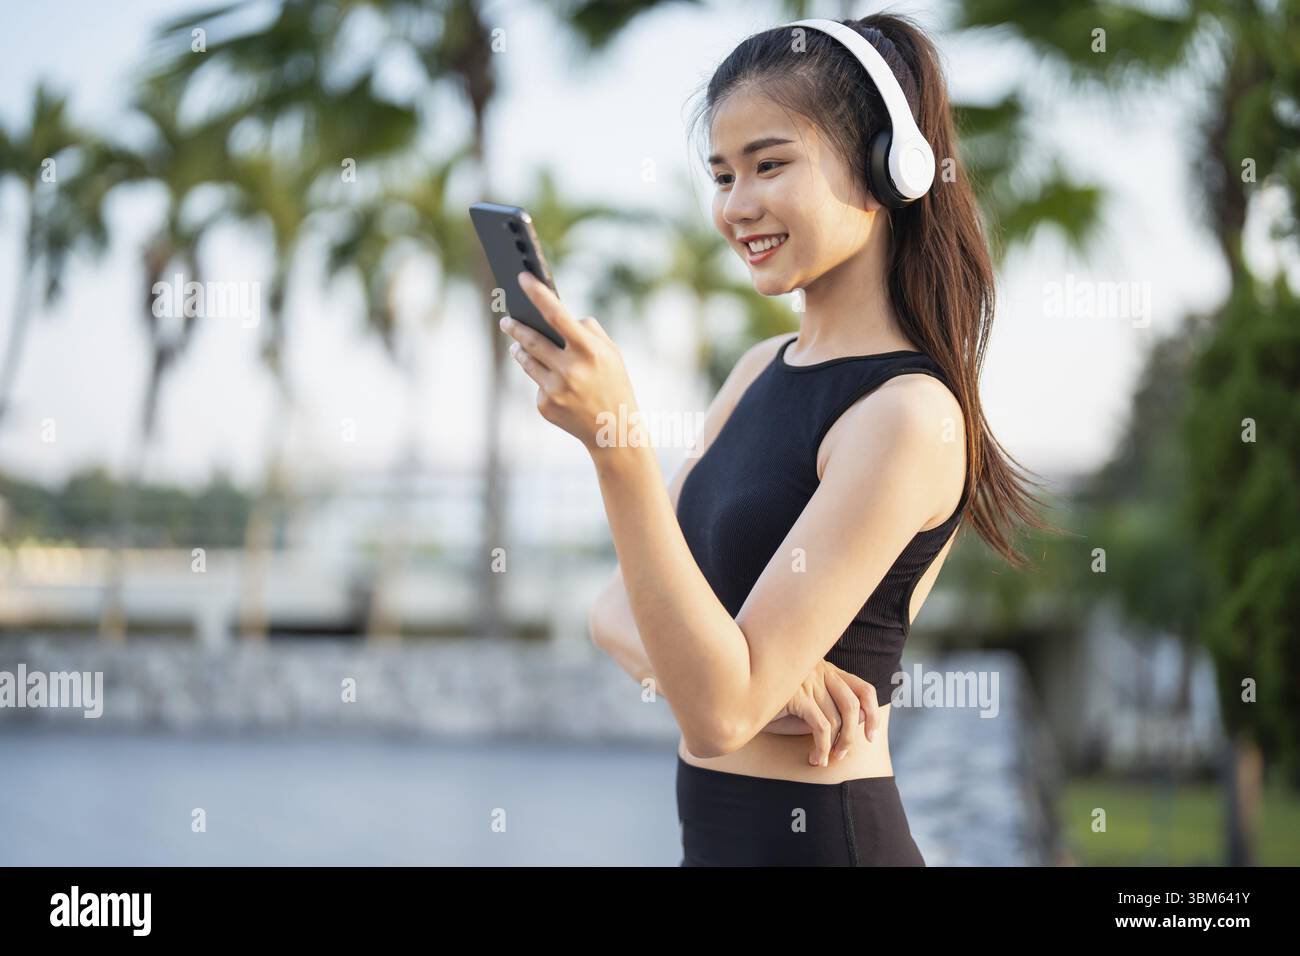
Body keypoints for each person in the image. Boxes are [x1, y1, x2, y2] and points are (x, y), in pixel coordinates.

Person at [499, 12, 1045, 866]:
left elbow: (715, 713)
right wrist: (762, 678)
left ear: (884, 172)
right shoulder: (759, 369)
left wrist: (617, 446)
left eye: (770, 164)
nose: (736, 205)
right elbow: (614, 611)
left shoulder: (908, 414)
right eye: (721, 174)